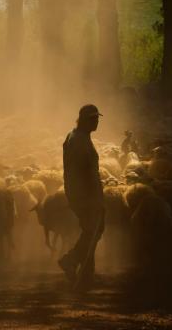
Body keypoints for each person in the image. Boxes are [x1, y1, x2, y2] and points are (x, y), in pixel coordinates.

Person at [58, 104, 105, 291]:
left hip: (79, 193)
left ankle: (86, 275)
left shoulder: (77, 137)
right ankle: (70, 260)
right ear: (85, 120)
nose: (97, 122)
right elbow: (85, 172)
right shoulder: (79, 141)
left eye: (97, 118)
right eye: (93, 119)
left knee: (92, 230)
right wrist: (96, 197)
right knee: (94, 229)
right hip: (85, 195)